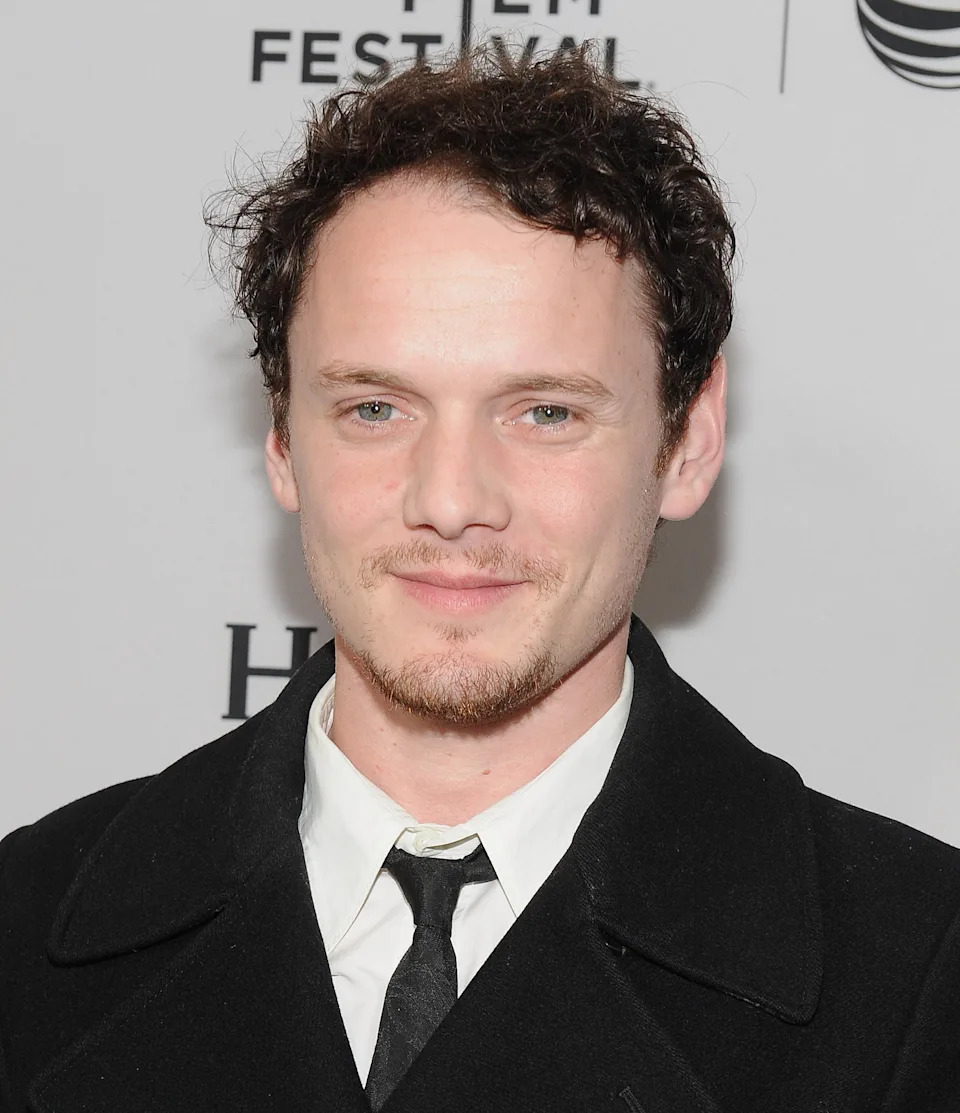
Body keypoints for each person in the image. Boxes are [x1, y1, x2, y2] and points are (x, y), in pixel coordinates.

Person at [0, 42, 957, 1113]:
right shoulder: (22, 929)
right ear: (280, 440)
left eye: (545, 412)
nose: (452, 499)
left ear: (688, 441)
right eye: (375, 408)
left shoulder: (918, 981)